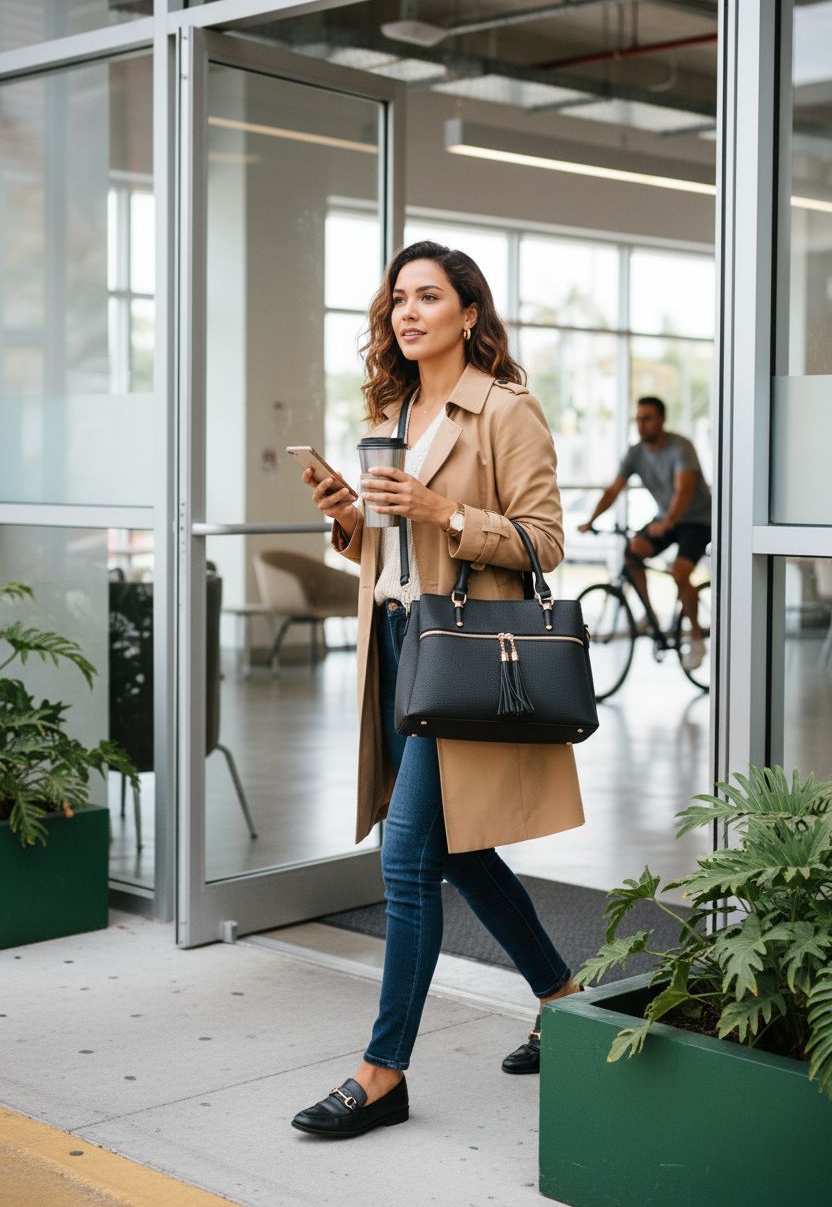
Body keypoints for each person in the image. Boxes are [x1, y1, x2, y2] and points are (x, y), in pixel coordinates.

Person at [290, 240, 584, 1139]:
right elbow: (387, 552)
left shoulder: (505, 410)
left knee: (407, 859)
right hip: (396, 645)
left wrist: (443, 511)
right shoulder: (393, 407)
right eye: (397, 300)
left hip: (464, 653)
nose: (407, 313)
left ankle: (384, 1072)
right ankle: (563, 995)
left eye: (427, 297)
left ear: (468, 312)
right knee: (453, 852)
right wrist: (352, 518)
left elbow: (545, 542)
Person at [577, 396, 711, 670]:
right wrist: (591, 520)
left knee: (680, 572)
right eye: (638, 419)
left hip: (697, 520)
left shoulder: (680, 447)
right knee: (632, 555)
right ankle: (651, 618)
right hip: (666, 519)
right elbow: (614, 489)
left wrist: (669, 522)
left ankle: (697, 639)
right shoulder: (636, 453)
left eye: (647, 418)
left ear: (662, 420)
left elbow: (683, 490)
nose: (641, 424)